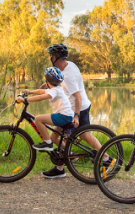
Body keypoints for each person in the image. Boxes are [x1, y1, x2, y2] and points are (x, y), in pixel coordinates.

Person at [41, 43, 111, 179]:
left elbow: (77, 97)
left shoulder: (69, 75)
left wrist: (77, 116)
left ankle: (106, 158)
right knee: (56, 136)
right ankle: (64, 162)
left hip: (77, 109)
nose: (50, 58)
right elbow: (58, 81)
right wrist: (46, 85)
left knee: (83, 135)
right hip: (70, 108)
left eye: (51, 56)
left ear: (55, 57)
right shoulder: (67, 65)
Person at [18, 67, 74, 153]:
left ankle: (47, 144)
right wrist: (30, 92)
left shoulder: (54, 91)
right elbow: (41, 91)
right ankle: (69, 155)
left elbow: (40, 97)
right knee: (53, 138)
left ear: (47, 82)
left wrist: (25, 100)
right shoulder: (56, 89)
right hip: (66, 116)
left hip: (63, 116)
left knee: (38, 119)